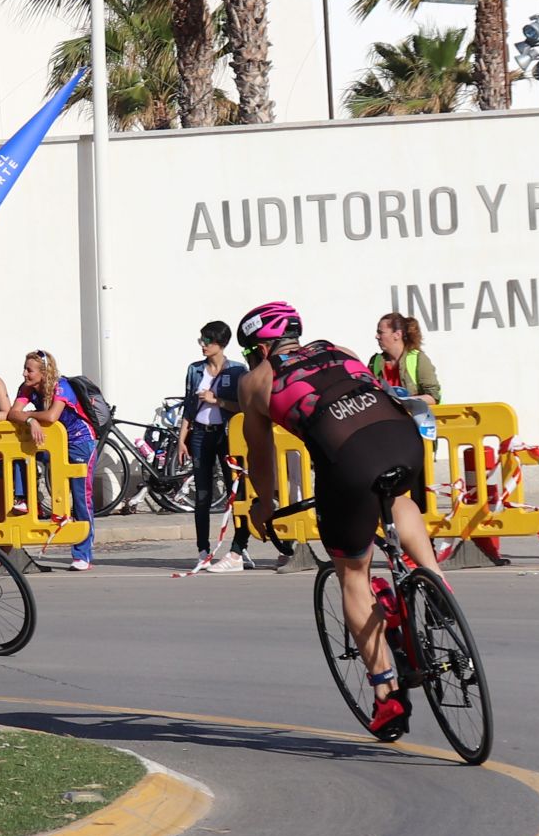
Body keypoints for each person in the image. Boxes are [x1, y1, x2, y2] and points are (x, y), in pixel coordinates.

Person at [231, 301, 439, 740]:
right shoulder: (338, 349)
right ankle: (435, 583)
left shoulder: (255, 381)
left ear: (260, 347)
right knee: (397, 496)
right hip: (403, 440)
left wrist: (263, 505)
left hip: (348, 459)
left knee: (352, 575)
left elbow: (261, 455)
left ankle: (387, 695)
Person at [9, 348, 97, 570]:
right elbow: (13, 413)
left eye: (29, 370)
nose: (24, 374)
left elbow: (51, 416)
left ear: (43, 372)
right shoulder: (26, 388)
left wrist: (28, 416)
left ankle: (82, 554)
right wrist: (30, 422)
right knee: (21, 454)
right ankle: (22, 498)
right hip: (53, 443)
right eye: (24, 369)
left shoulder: (62, 387)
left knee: (80, 497)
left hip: (80, 443)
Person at [180, 320, 244, 571]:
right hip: (199, 435)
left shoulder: (238, 371)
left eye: (207, 341)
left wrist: (215, 400)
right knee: (202, 495)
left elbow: (242, 406)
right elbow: (188, 405)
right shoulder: (195, 370)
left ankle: (239, 549)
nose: (203, 346)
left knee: (234, 492)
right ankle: (202, 549)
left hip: (226, 435)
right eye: (201, 340)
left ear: (221, 343)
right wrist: (181, 438)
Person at [369, 313, 441, 403]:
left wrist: (403, 401)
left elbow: (433, 397)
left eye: (381, 332)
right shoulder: (375, 361)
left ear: (397, 335)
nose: (377, 336)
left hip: (413, 416)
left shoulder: (419, 359)